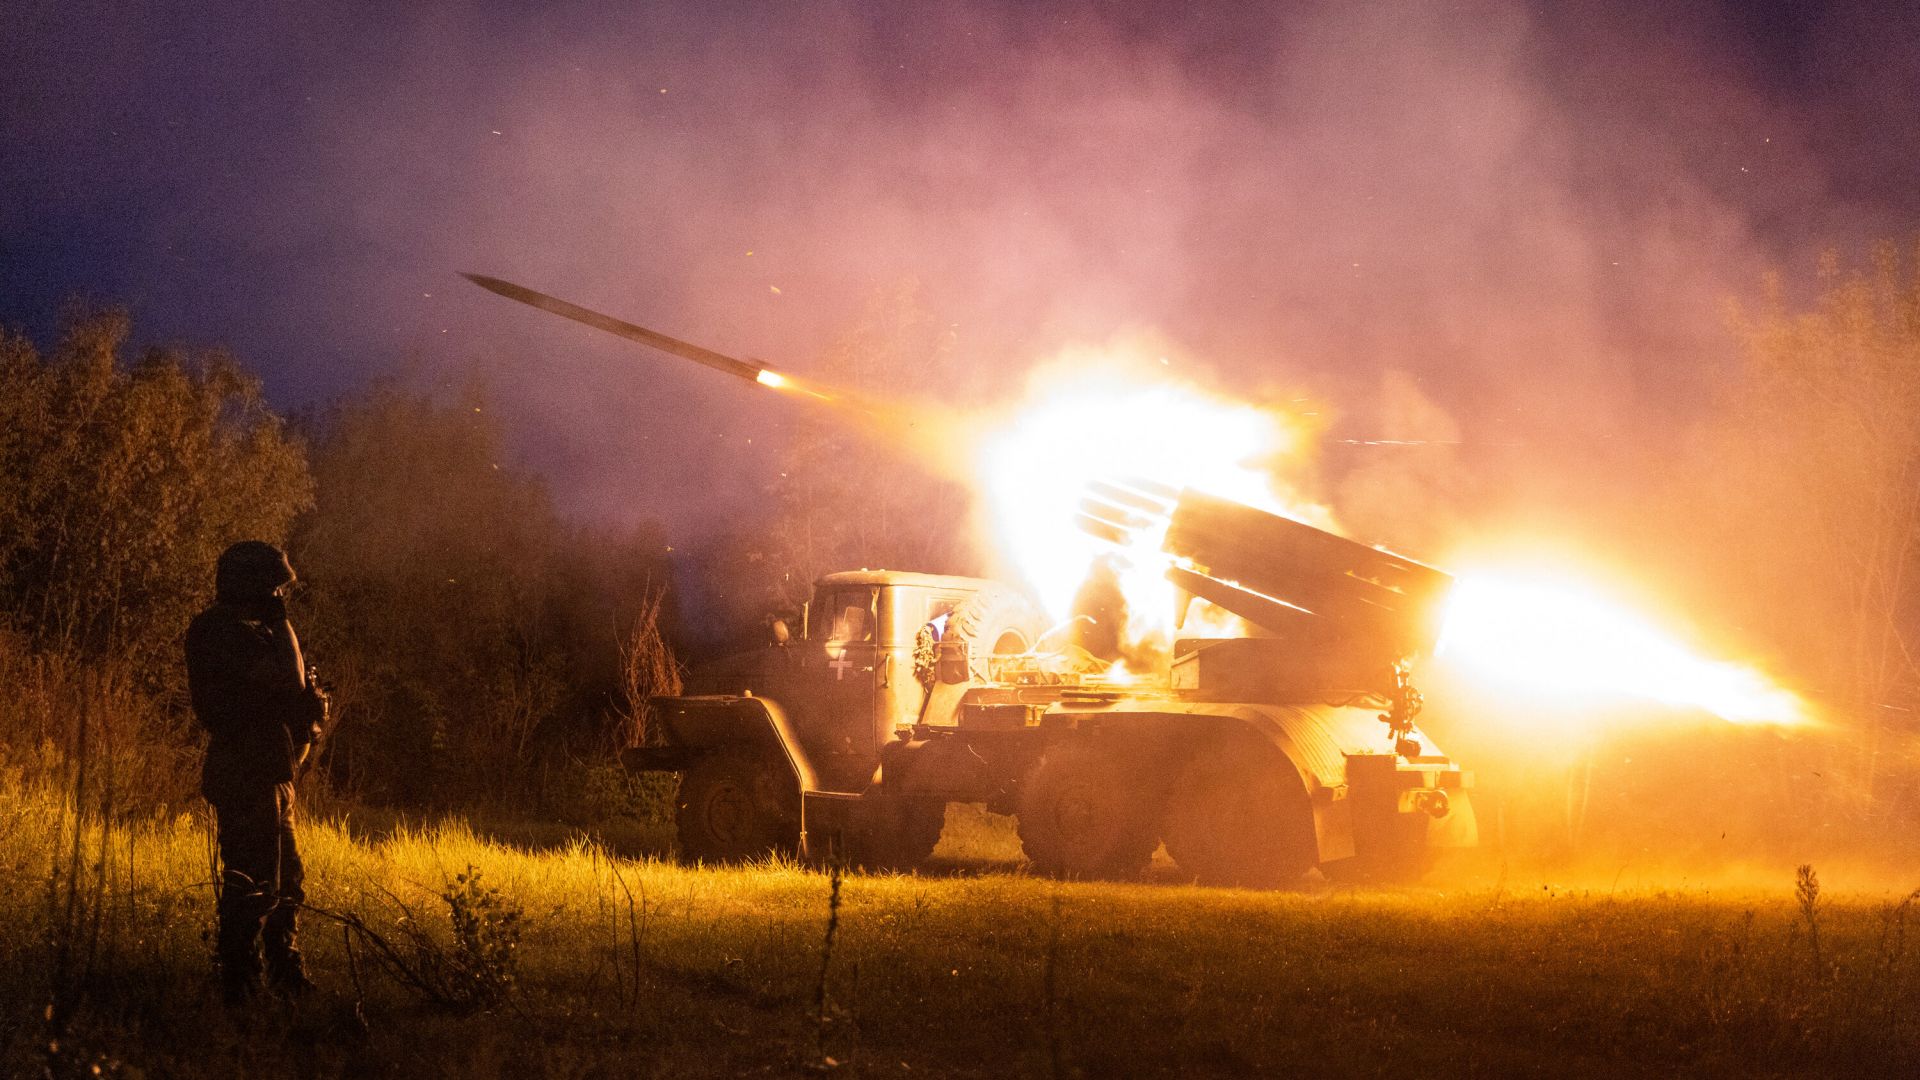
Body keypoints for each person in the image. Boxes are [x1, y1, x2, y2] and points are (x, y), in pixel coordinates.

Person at [185, 540, 328, 1003]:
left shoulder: (250, 632)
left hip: (273, 773)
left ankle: (284, 973)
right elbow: (285, 684)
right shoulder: (217, 632)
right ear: (249, 586)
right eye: (272, 589)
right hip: (246, 773)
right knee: (254, 882)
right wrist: (282, 629)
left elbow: (289, 698)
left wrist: (306, 712)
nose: (278, 597)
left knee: (287, 882)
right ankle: (240, 983)